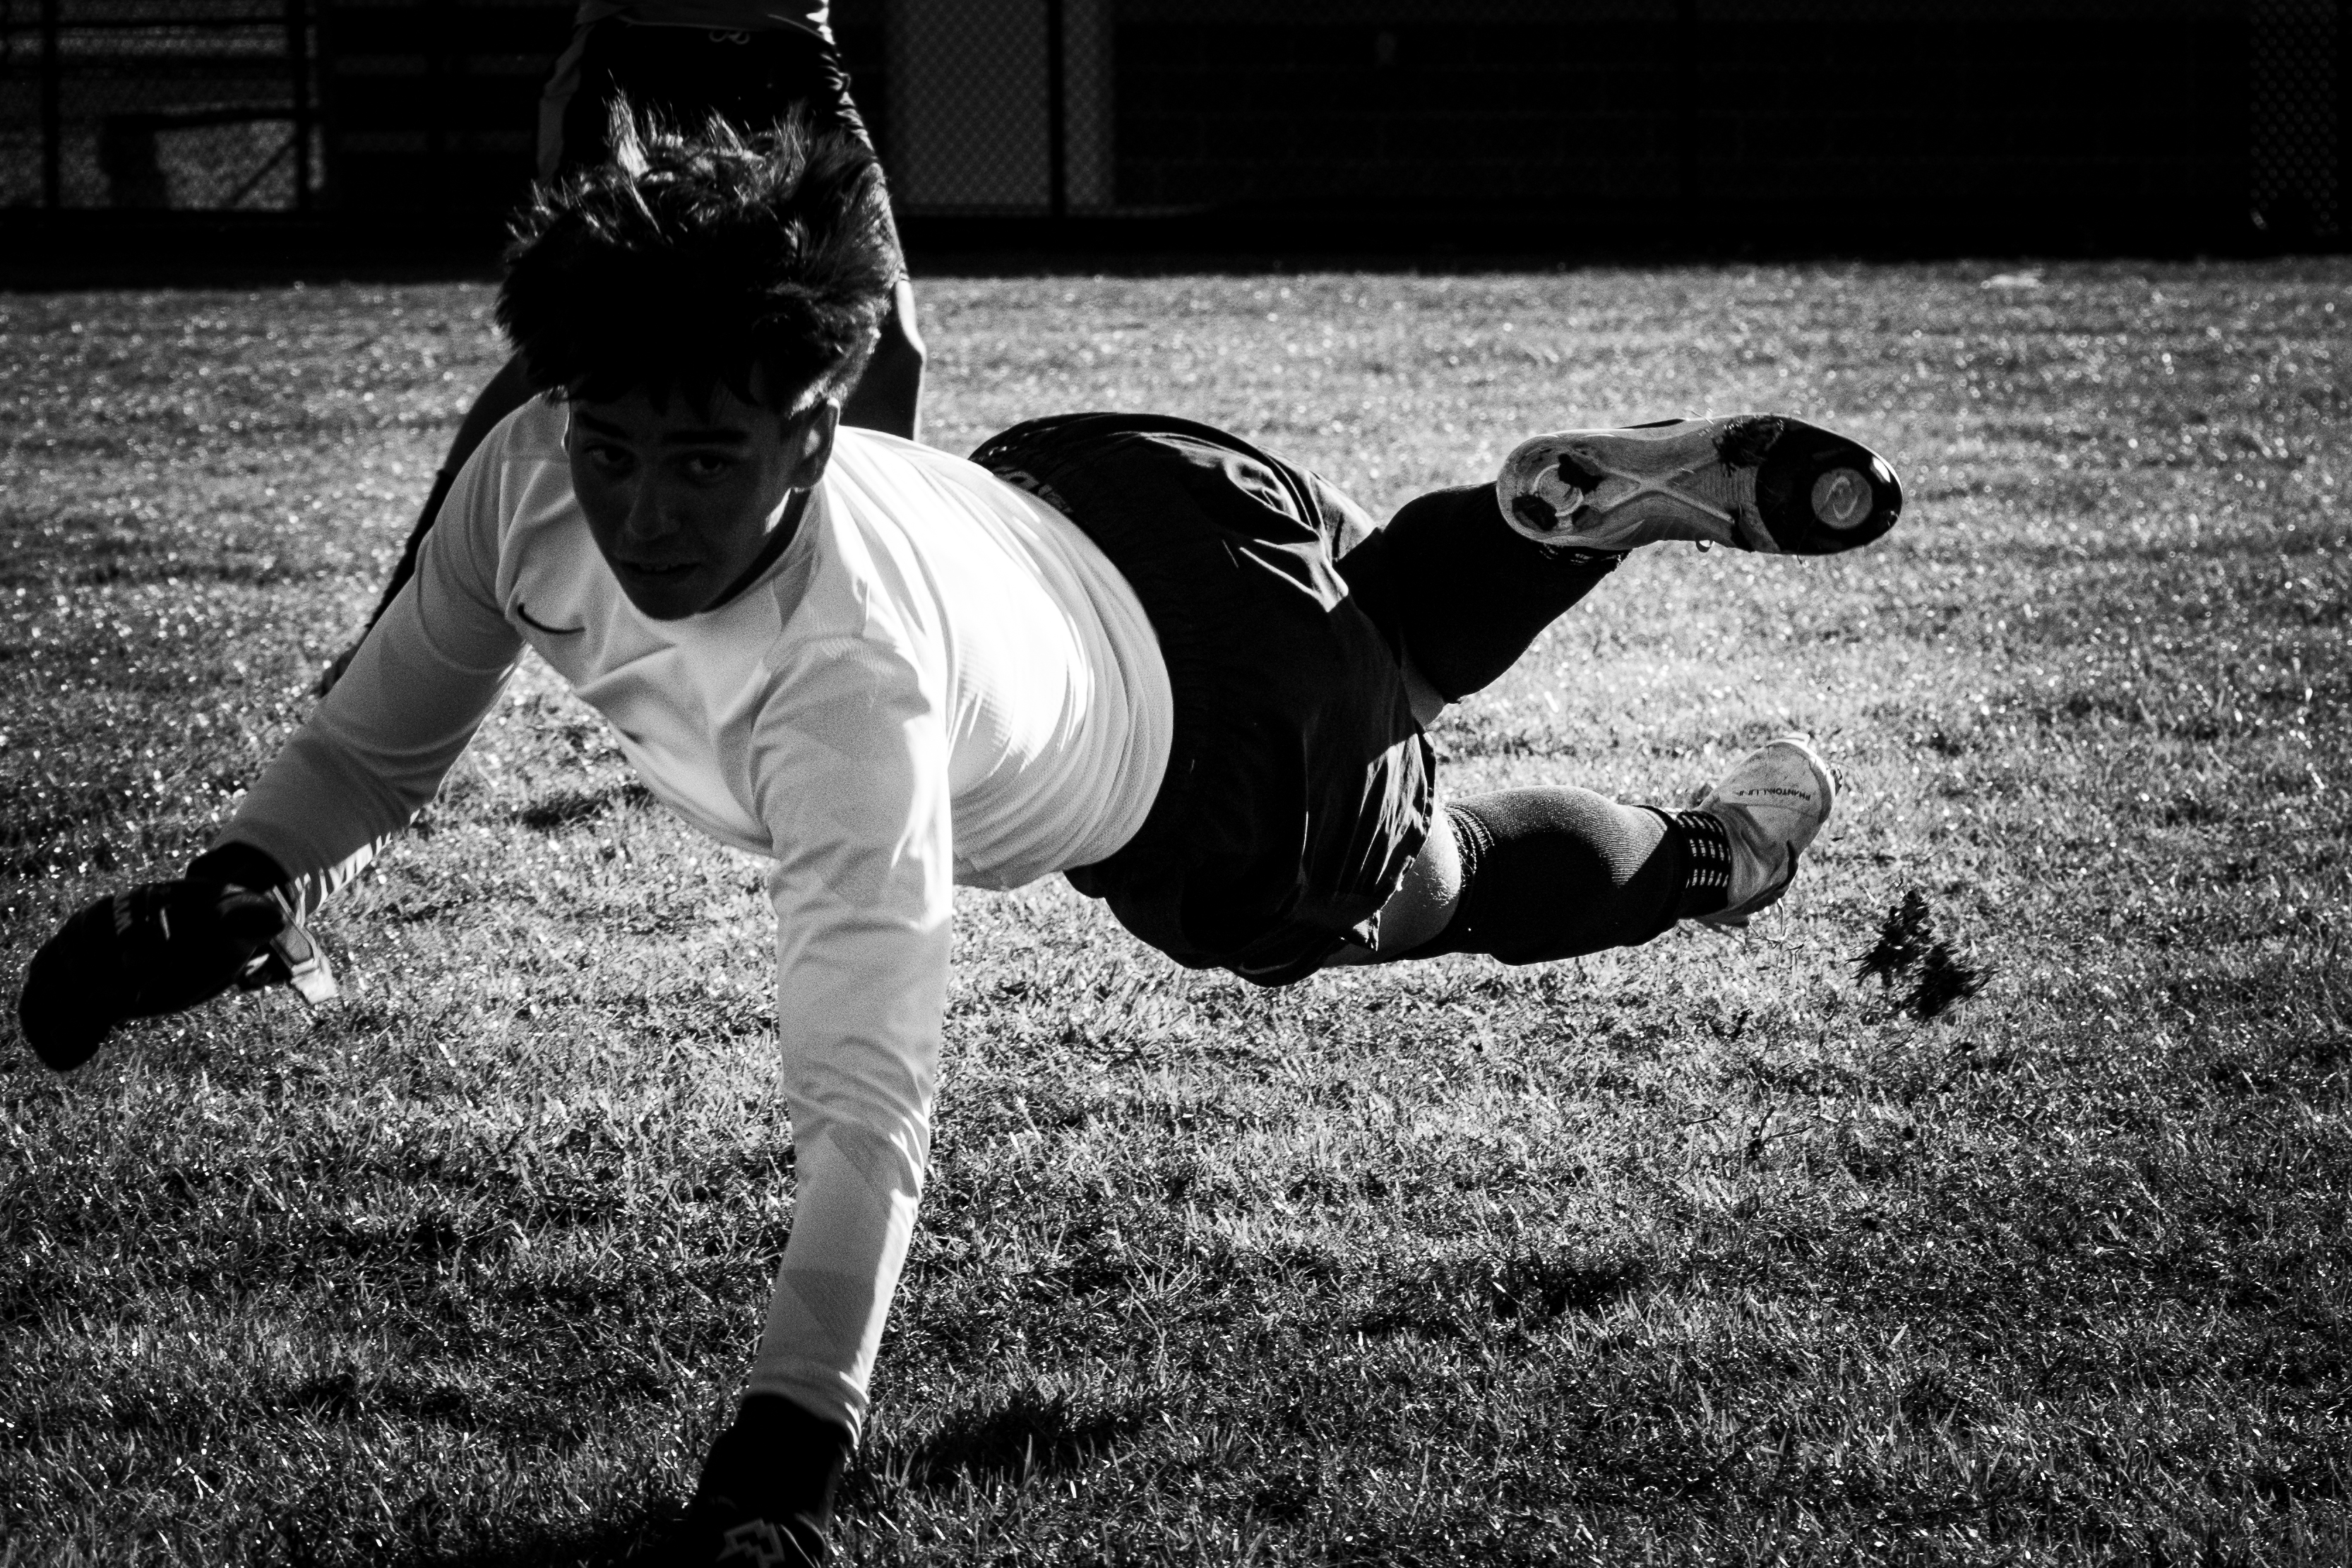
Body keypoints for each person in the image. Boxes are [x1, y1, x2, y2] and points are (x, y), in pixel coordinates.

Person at [14, 116, 1902, 1566]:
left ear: (815, 432)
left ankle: (1696, 852)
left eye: (703, 462)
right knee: (1368, 628)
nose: (643, 508)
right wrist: (245, 882)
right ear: (558, 409)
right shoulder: (535, 472)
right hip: (1113, 487)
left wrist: (791, 1424)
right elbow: (377, 732)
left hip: (1203, 760)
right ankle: (1548, 526)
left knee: (1402, 885)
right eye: (613, 448)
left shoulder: (846, 692)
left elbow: (868, 1097)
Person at [314, 0, 924, 695]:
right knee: (566, 360)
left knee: (889, 346)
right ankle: (398, 635)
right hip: (643, 47)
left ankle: (870, 635)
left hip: (791, 55)